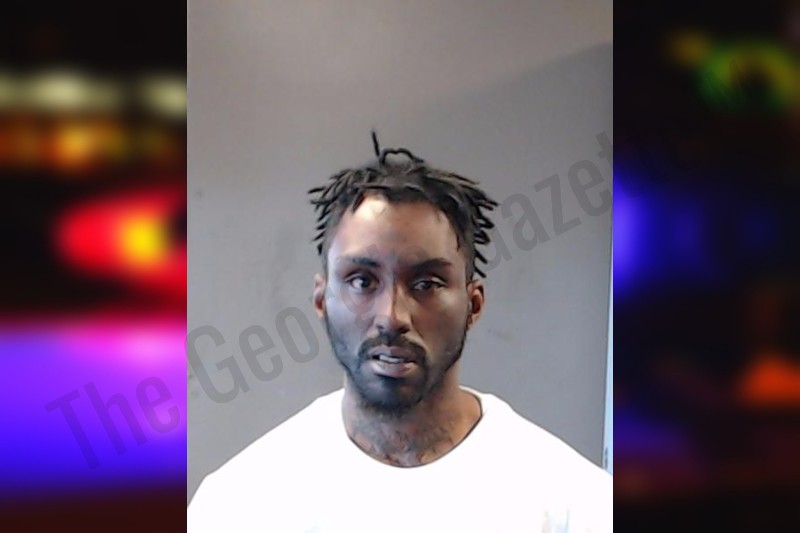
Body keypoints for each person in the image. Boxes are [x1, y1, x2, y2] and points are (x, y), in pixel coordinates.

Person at [188, 135, 612, 532]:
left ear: (474, 304)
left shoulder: (575, 504)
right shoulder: (237, 505)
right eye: (361, 281)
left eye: (426, 283)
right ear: (321, 299)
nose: (391, 317)